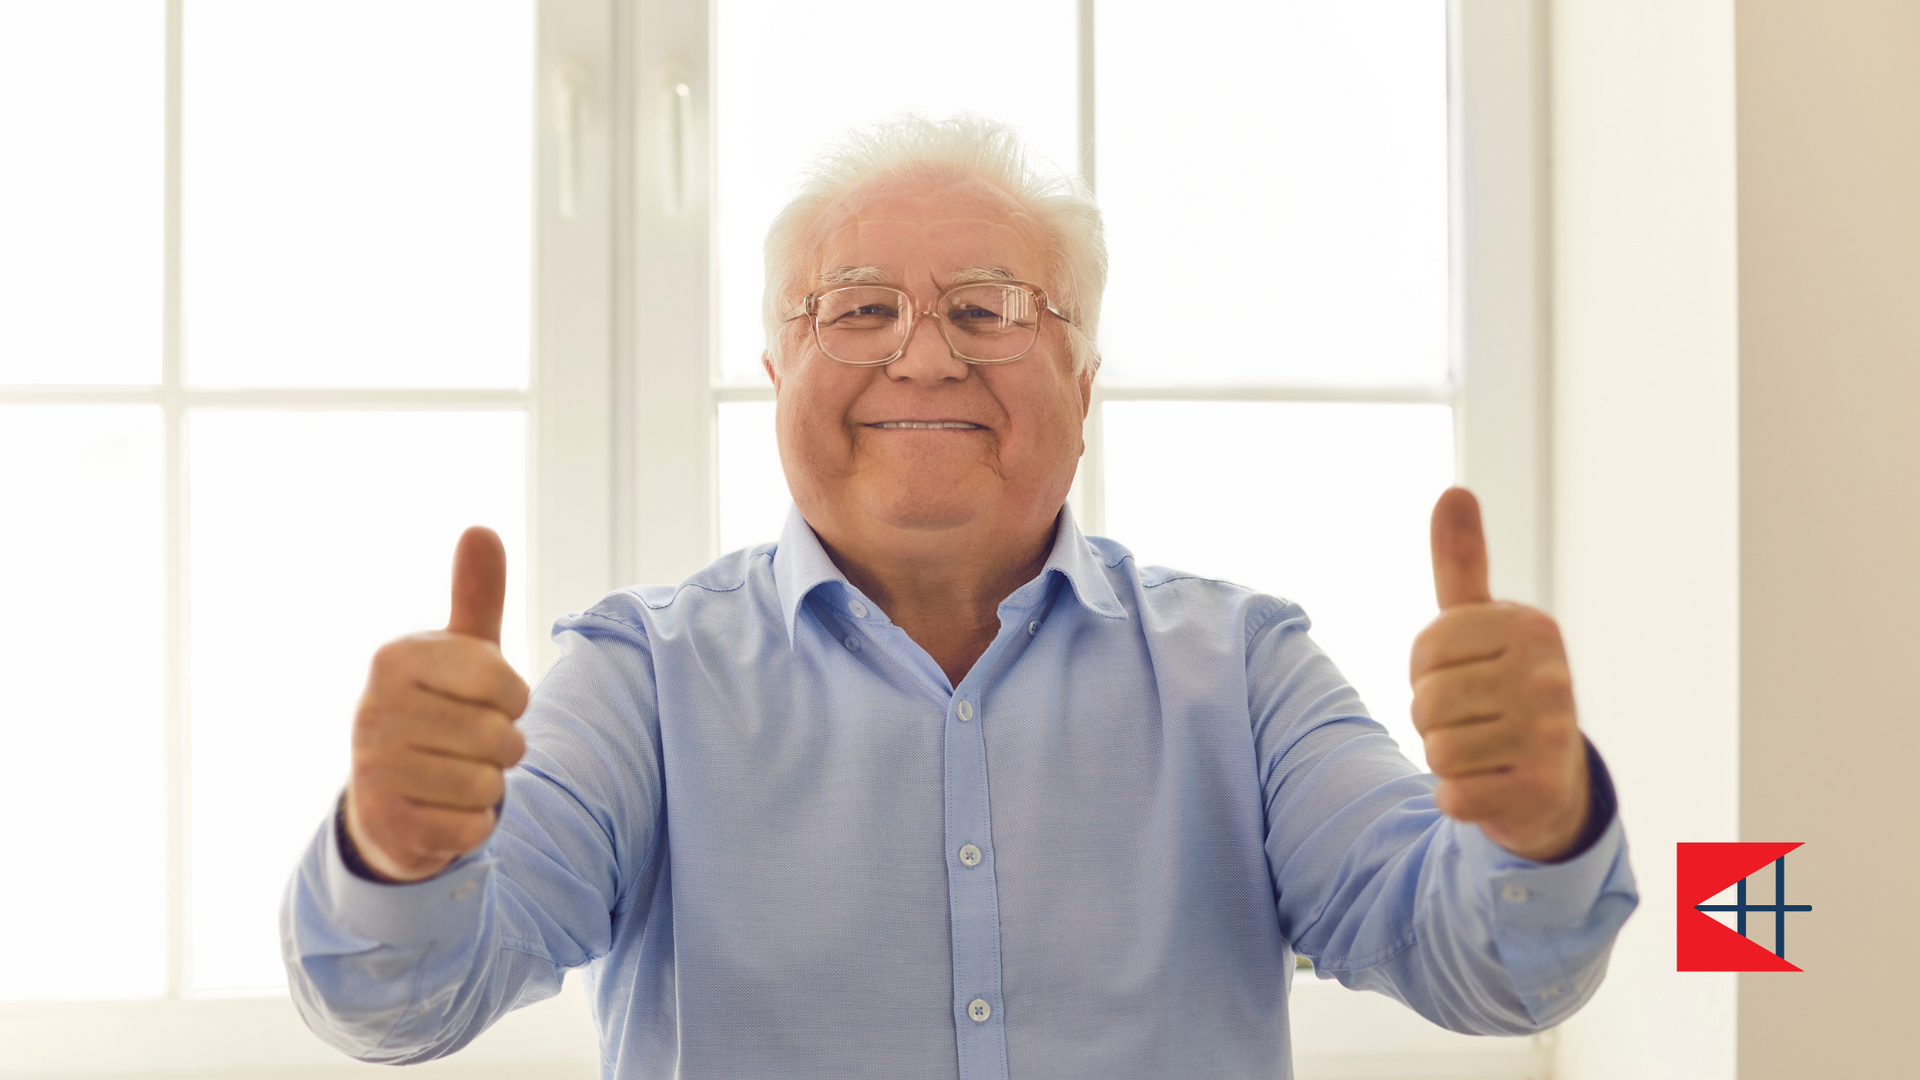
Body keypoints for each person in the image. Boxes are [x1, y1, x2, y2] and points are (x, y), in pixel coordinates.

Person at [282, 115, 1637, 1079]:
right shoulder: (641, 675)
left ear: (1088, 387)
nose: (923, 358)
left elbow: (1490, 967)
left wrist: (1536, 827)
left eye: (990, 312)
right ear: (777, 373)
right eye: (856, 311)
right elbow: (405, 1000)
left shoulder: (1245, 668)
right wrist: (397, 855)